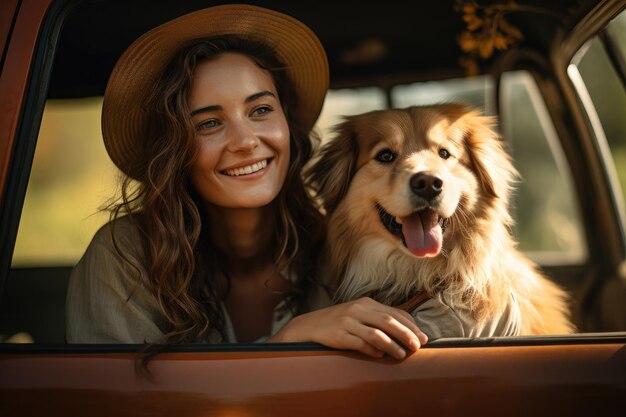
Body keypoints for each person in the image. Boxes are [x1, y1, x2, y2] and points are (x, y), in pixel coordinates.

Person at [66, 4, 427, 360]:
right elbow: (118, 400)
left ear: (287, 123)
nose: (245, 141)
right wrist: (286, 343)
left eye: (260, 110)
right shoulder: (125, 257)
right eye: (208, 123)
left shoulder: (342, 245)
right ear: (172, 150)